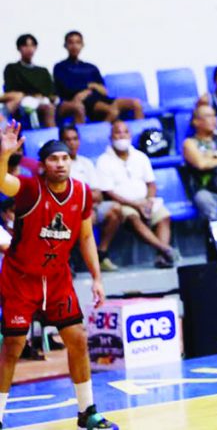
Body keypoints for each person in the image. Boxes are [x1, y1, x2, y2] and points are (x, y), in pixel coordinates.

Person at [0, 124, 119, 430]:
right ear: (43, 165)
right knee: (13, 346)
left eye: (65, 158)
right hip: (21, 277)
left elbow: (87, 237)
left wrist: (97, 278)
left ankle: (87, 411)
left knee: (77, 339)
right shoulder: (28, 189)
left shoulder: (81, 192)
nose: (61, 163)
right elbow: (1, 181)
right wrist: (4, 154)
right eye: (54, 159)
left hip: (57, 278)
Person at [94, 121, 176, 270]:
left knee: (163, 216)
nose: (122, 136)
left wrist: (149, 201)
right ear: (111, 137)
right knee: (132, 218)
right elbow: (108, 192)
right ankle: (166, 249)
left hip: (145, 201)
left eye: (125, 132)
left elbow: (151, 183)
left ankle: (161, 256)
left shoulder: (140, 156)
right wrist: (136, 205)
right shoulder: (103, 161)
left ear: (130, 135)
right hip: (123, 204)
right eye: (118, 133)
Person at [53, 31, 143, 123]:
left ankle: (142, 134)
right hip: (82, 102)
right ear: (65, 45)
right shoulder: (60, 67)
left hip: (99, 98)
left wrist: (89, 89)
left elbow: (103, 90)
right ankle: (101, 132)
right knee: (112, 112)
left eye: (78, 42)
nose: (75, 46)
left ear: (82, 45)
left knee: (136, 104)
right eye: (71, 42)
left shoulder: (91, 67)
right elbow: (67, 88)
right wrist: (91, 86)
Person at [2, 34, 56, 128]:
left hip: (42, 102)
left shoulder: (42, 71)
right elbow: (10, 89)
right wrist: (29, 94)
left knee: (49, 108)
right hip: (20, 102)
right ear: (19, 48)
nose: (29, 49)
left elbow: (49, 91)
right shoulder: (12, 68)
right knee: (18, 101)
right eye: (25, 45)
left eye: (32, 45)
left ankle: (54, 139)